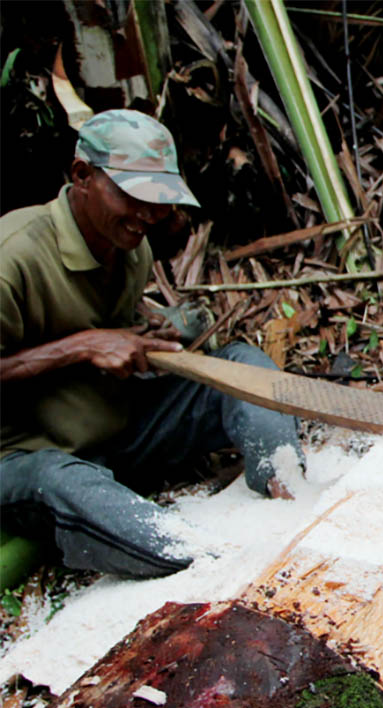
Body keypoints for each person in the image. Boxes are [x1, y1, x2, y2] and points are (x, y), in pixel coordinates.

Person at [1, 109, 304, 579]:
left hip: (117, 430)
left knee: (240, 366)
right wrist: (80, 345)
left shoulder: (129, 244)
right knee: (63, 484)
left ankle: (291, 489)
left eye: (158, 199)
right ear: (82, 176)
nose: (148, 215)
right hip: (25, 456)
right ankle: (210, 564)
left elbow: (109, 331)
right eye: (132, 196)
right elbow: (85, 340)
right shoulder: (13, 257)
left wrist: (142, 342)